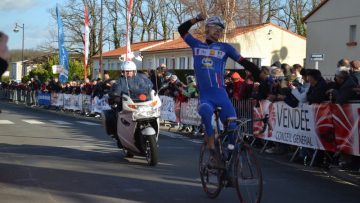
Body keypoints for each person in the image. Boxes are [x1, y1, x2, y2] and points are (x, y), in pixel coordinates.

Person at [178, 14, 260, 167]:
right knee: (205, 112)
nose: (218, 31)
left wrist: (260, 74)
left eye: (220, 29)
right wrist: (196, 19)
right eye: (215, 28)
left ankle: (229, 152)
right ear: (207, 28)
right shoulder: (196, 45)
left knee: (233, 128)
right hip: (206, 97)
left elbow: (245, 63)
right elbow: (181, 29)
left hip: (221, 95)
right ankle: (212, 150)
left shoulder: (225, 48)